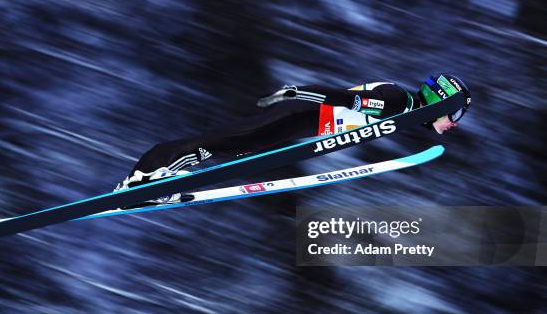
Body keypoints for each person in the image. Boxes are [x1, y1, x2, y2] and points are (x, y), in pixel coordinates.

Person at [115, 74, 471, 204]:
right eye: (454, 115)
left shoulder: (402, 110)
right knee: (216, 142)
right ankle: (149, 179)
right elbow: (342, 98)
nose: (453, 124)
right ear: (441, 101)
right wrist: (296, 93)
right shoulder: (397, 101)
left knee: (222, 146)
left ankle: (144, 182)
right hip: (297, 117)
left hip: (297, 126)